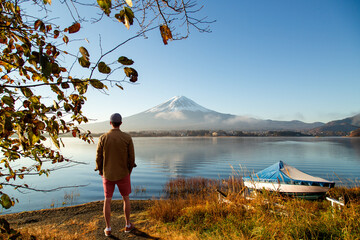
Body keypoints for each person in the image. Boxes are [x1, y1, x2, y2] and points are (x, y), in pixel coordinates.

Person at [95, 113, 136, 236]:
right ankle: (128, 225)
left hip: (107, 174)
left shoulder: (103, 137)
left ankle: (108, 228)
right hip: (123, 173)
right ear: (121, 123)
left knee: (107, 200)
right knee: (126, 199)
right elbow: (131, 158)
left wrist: (100, 170)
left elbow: (98, 157)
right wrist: (129, 171)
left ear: (110, 123)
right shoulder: (127, 137)